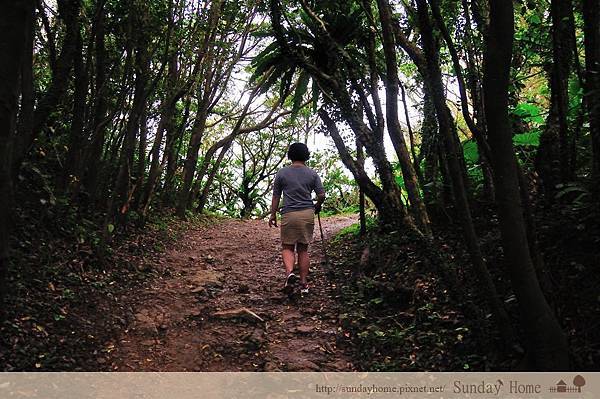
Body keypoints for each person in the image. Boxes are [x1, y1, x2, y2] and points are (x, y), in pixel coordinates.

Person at [269, 143, 325, 295]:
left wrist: (273, 214)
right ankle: (304, 283)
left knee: (287, 247)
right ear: (306, 156)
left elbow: (276, 196)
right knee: (303, 249)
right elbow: (321, 195)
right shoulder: (312, 174)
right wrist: (317, 205)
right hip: (307, 213)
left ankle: (289, 274)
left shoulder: (282, 173)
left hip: (289, 214)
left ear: (290, 155)